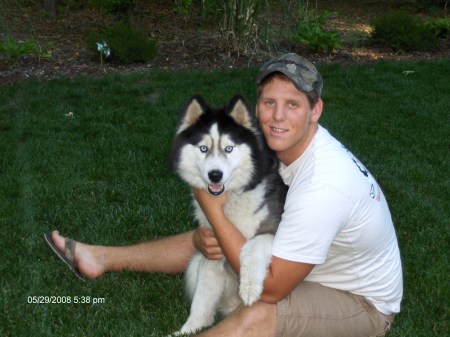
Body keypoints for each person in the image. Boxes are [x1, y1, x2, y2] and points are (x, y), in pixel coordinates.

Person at [44, 53, 403, 337]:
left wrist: (211, 206)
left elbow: (273, 288)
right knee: (212, 236)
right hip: (310, 261)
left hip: (359, 304)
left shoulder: (325, 184)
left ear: (315, 110)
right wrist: (216, 218)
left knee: (258, 311)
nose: (277, 116)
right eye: (268, 103)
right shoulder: (286, 146)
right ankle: (101, 257)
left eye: (292, 104)